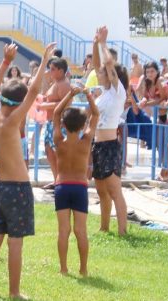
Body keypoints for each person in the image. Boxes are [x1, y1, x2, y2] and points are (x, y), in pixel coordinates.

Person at [0, 41, 54, 299]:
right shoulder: (12, 120)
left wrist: (5, 61)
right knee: (15, 242)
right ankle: (14, 292)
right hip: (18, 188)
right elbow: (34, 90)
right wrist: (44, 60)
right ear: (17, 103)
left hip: (0, 187)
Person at [86, 27, 129, 235]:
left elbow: (107, 64)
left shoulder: (117, 92)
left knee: (114, 190)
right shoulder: (103, 93)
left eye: (103, 72)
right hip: (98, 145)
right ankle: (104, 227)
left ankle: (122, 230)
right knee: (101, 190)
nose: (99, 73)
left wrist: (103, 43)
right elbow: (97, 65)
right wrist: (94, 43)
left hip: (110, 146)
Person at [52, 85, 98, 276]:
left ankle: (63, 268)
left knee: (64, 230)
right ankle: (83, 268)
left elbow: (55, 113)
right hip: (79, 187)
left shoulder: (58, 140)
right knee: (81, 230)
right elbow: (95, 114)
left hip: (62, 186)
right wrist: (87, 94)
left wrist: (70, 94)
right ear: (83, 125)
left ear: (63, 125)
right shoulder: (86, 140)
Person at [37, 57, 71, 188]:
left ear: (61, 71)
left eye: (52, 69)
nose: (49, 71)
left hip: (60, 123)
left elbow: (65, 103)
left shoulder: (64, 84)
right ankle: (56, 179)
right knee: (49, 151)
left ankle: (62, 181)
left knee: (58, 153)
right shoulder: (56, 82)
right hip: (51, 122)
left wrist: (45, 105)